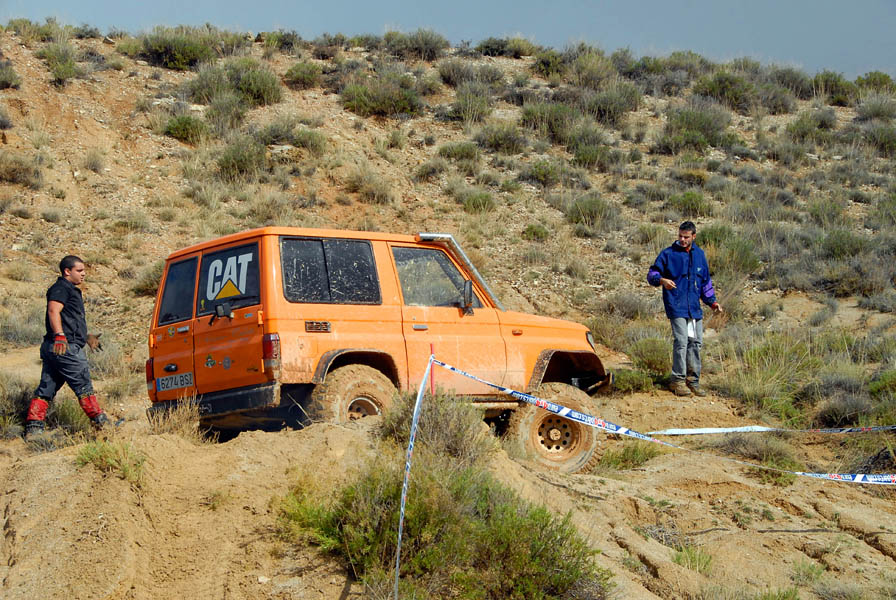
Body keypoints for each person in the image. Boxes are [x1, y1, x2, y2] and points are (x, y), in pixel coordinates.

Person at [25, 255, 110, 439]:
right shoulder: (61, 288)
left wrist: (85, 337)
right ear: (67, 271)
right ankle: (101, 423)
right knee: (83, 384)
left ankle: (33, 428)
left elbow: (68, 320)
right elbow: (53, 310)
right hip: (64, 347)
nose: (83, 274)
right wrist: (60, 336)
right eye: (79, 270)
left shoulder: (68, 289)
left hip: (57, 346)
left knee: (47, 387)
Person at [647, 221, 723, 397]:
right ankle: (677, 381)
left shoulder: (700, 255)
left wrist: (713, 303)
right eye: (680, 236)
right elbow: (652, 274)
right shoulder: (668, 254)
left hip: (694, 309)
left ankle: (693, 381)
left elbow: (705, 283)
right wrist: (662, 280)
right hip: (676, 305)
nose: (682, 239)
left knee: (695, 343)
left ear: (693, 236)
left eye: (686, 237)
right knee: (681, 342)